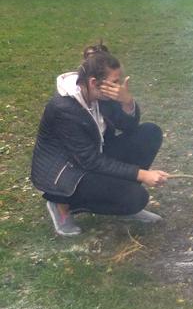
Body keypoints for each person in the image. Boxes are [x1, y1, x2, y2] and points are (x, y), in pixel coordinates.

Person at [31, 45, 168, 237]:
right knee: (137, 198)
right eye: (114, 82)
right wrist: (141, 174)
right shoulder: (64, 109)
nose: (117, 87)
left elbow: (128, 126)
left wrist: (127, 102)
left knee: (149, 133)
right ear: (94, 82)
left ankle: (123, 202)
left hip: (93, 156)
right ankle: (61, 204)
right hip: (66, 174)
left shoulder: (100, 94)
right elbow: (89, 160)